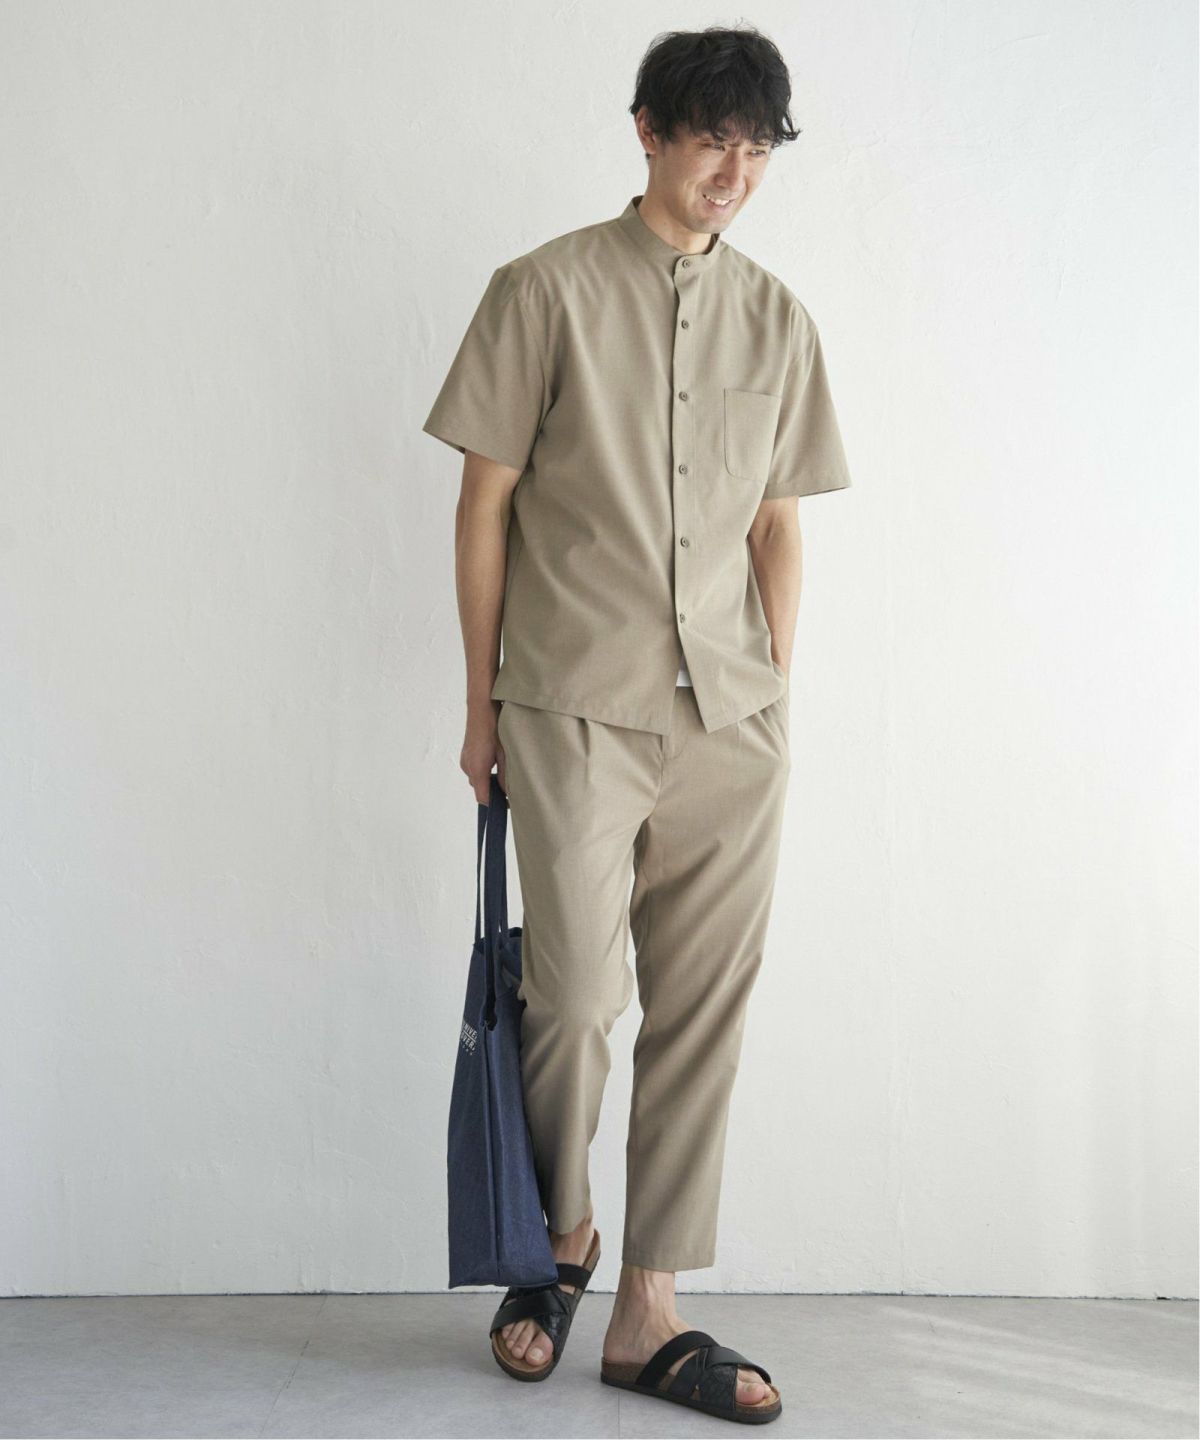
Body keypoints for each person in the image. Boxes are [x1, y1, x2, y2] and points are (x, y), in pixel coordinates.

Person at [422, 23, 851, 1426]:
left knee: (703, 1011)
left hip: (733, 722)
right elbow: (484, 506)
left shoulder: (780, 320)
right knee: (575, 999)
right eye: (711, 137)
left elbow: (779, 527)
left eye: (757, 147)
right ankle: (560, 1242)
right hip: (568, 709)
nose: (734, 169)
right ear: (650, 132)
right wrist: (481, 702)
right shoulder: (539, 291)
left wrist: (771, 691)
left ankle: (647, 1307)